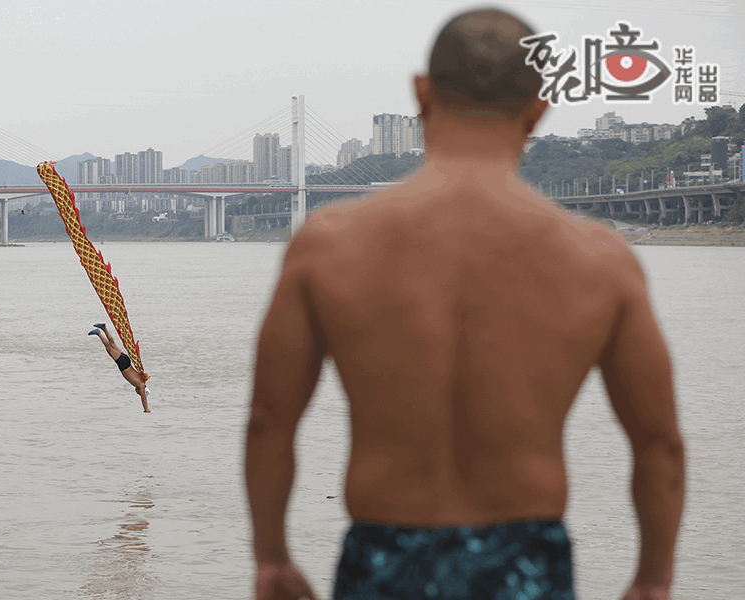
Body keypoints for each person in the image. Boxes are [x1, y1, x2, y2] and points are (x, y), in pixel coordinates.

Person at [245, 8, 684, 600]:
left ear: (421, 93)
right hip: (525, 561)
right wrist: (653, 580)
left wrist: (271, 559)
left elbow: (270, 421)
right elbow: (659, 444)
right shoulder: (601, 259)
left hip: (383, 557)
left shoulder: (327, 245)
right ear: (538, 108)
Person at [89, 323, 150, 413]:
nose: (137, 393)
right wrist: (146, 409)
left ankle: (104, 328)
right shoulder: (141, 386)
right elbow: (144, 400)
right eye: (139, 393)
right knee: (109, 348)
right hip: (123, 364)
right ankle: (99, 333)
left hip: (126, 361)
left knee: (112, 344)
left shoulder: (141, 381)